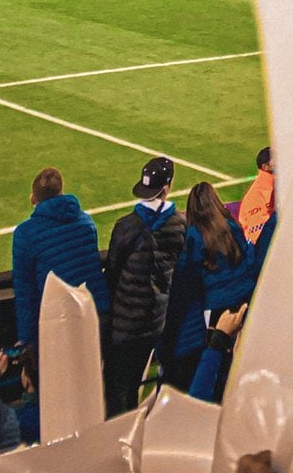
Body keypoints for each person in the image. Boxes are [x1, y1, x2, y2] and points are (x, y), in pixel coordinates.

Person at [164, 182, 274, 390]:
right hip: (242, 300)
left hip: (215, 308)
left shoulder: (195, 235)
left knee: (217, 358)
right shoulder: (231, 225)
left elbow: (188, 275)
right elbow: (248, 258)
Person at [104, 157, 185, 413]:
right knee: (135, 381)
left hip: (125, 324)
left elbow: (113, 272)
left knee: (117, 390)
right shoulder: (179, 225)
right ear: (167, 187)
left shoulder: (126, 227)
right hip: (155, 320)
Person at [10, 168, 110, 344]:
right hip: (94, 313)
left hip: (61, 321)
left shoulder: (25, 234)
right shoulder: (86, 222)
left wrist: (27, 341)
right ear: (62, 192)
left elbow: (25, 293)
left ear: (33, 198)